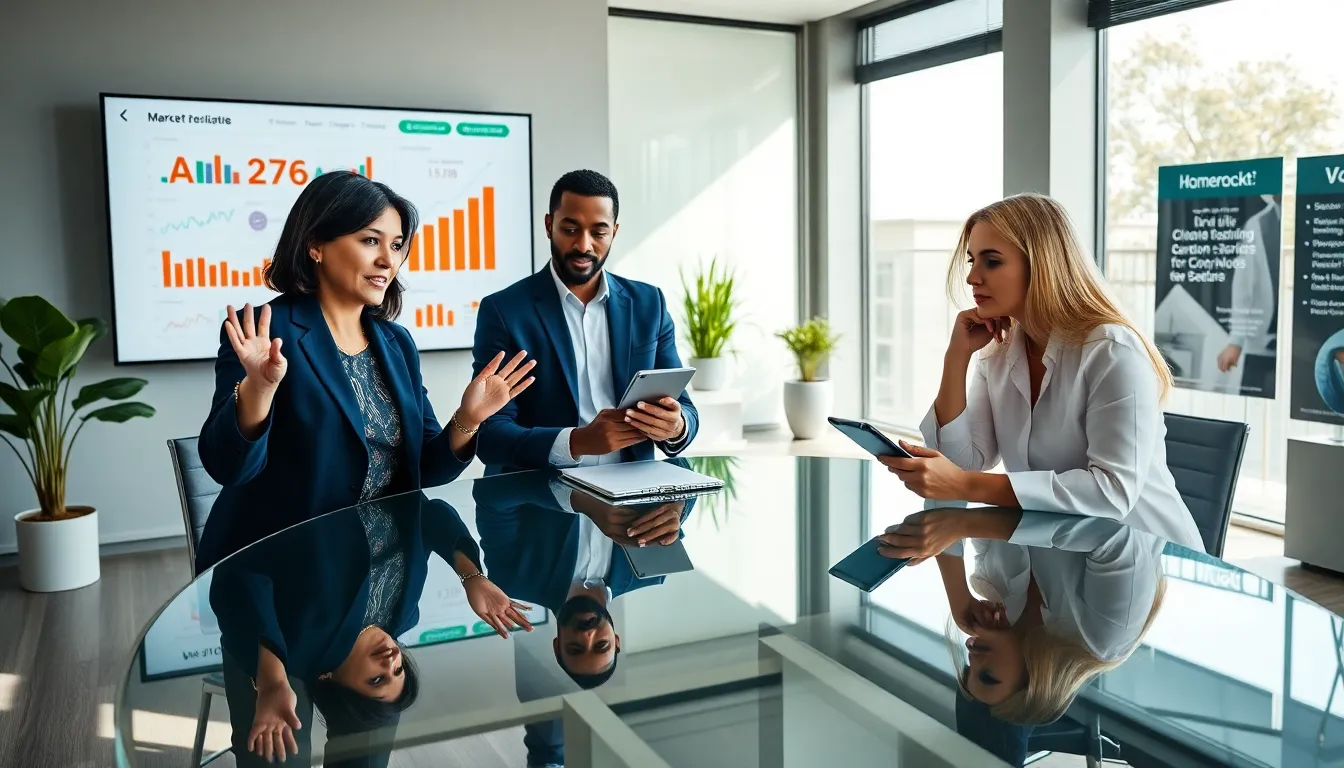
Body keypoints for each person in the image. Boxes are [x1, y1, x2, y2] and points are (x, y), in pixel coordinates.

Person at [195, 172, 536, 572]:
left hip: (387, 566)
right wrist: (259, 389)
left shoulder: (397, 343)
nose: (388, 261)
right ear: (316, 245)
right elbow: (227, 467)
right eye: (370, 240)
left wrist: (468, 419)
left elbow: (425, 472)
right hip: (290, 575)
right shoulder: (264, 332)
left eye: (395, 246)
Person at [878, 193, 1204, 550]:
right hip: (1058, 548)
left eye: (992, 261)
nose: (972, 277)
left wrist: (964, 485)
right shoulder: (997, 351)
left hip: (1146, 555)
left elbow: (1112, 493)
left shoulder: (1112, 351)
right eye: (972, 261)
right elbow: (961, 462)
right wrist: (956, 358)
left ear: (1041, 265)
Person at [211, 491, 533, 766]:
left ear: (329, 677)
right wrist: (472, 575)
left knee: (366, 739)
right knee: (280, 756)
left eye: (378, 677)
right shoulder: (402, 614)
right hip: (263, 645)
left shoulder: (301, 627)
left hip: (264, 633)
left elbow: (240, 582)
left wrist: (269, 678)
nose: (392, 659)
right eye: (399, 670)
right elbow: (430, 514)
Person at [470, 169, 699, 475]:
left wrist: (676, 426)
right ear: (549, 225)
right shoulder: (504, 311)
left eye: (599, 232)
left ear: (614, 233)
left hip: (633, 500)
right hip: (543, 501)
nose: (584, 245)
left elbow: (685, 409)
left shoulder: (649, 304)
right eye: (571, 229)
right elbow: (490, 435)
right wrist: (577, 442)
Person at [472, 466, 695, 768]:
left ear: (557, 644)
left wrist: (576, 499)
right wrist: (677, 509)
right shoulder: (652, 571)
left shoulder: (513, 577)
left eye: (575, 647)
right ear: (616, 640)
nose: (587, 635)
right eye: (600, 646)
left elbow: (491, 493)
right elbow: (682, 471)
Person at [883, 507, 1167, 737]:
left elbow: (976, 503)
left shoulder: (997, 588)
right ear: (1034, 682)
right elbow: (1118, 533)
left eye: (971, 668)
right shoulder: (1104, 636)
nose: (973, 658)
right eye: (988, 676)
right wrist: (963, 525)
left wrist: (956, 587)